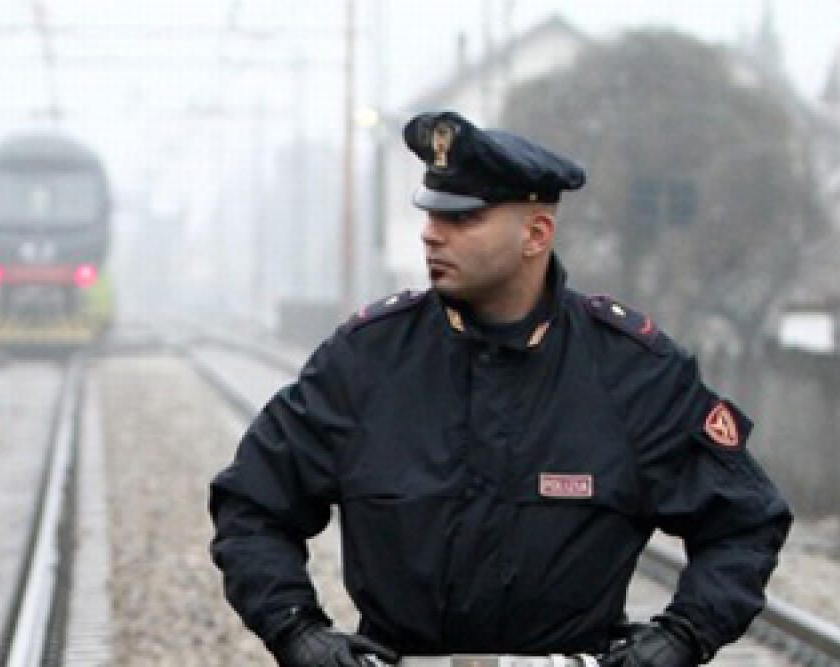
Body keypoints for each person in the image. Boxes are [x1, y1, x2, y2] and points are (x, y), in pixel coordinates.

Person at [210, 110, 792, 667]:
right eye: (431, 215)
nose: (430, 236)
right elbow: (253, 504)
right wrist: (296, 630)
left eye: (461, 220)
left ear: (536, 233)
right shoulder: (367, 362)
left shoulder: (630, 372)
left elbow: (744, 522)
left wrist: (683, 636)